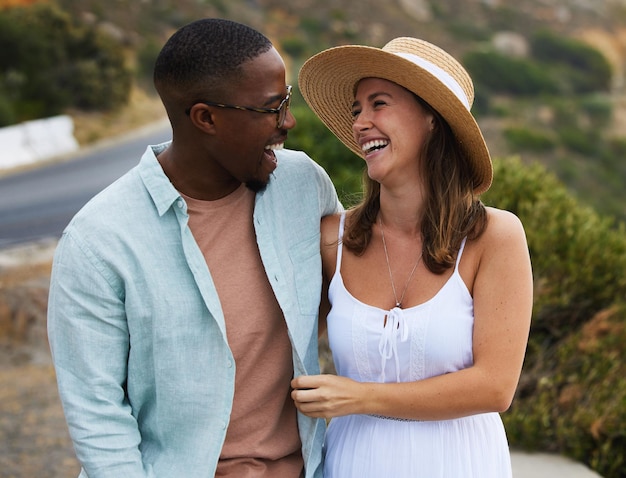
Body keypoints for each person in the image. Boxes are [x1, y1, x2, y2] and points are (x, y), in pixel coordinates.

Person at [47, 18, 341, 478]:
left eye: (285, 102)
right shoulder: (97, 242)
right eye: (270, 108)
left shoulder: (304, 185)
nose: (289, 121)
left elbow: (357, 304)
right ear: (206, 118)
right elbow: (97, 415)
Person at [291, 37, 533, 477]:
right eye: (356, 110)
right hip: (352, 466)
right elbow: (276, 343)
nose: (361, 122)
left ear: (432, 119)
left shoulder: (494, 237)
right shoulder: (332, 240)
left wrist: (361, 397)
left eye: (378, 104)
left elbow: (495, 387)